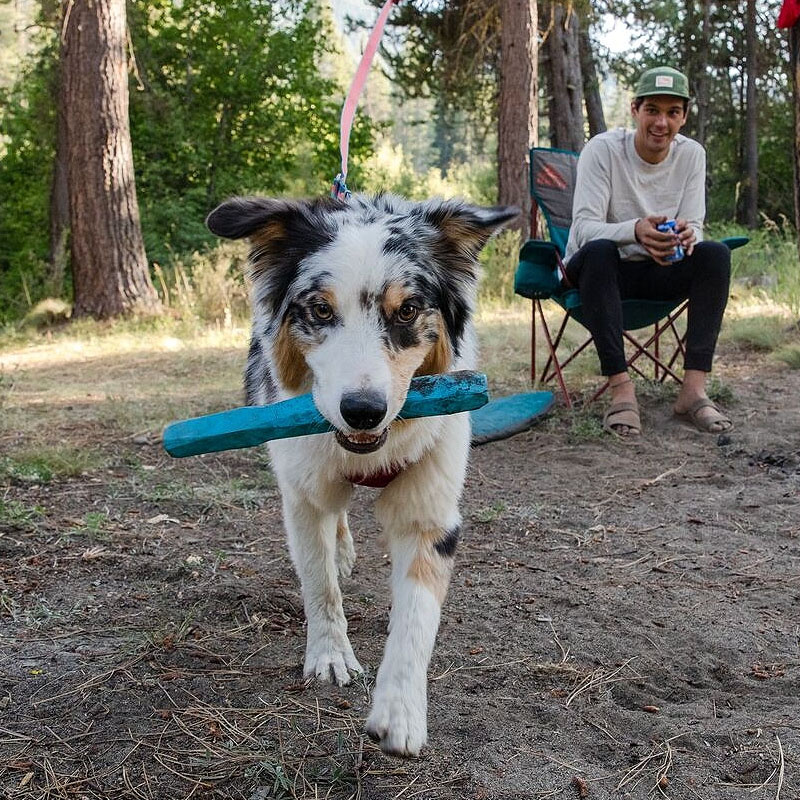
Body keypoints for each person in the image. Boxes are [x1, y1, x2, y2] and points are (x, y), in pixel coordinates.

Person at [564, 65, 733, 438]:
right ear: (634, 110)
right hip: (603, 275)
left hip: (658, 271)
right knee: (600, 251)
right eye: (652, 110)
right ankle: (621, 390)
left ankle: (693, 391)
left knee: (715, 254)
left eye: (673, 112)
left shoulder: (692, 155)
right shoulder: (604, 150)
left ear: (684, 117)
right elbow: (582, 230)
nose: (662, 122)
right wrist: (636, 231)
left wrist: (687, 236)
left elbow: (696, 224)